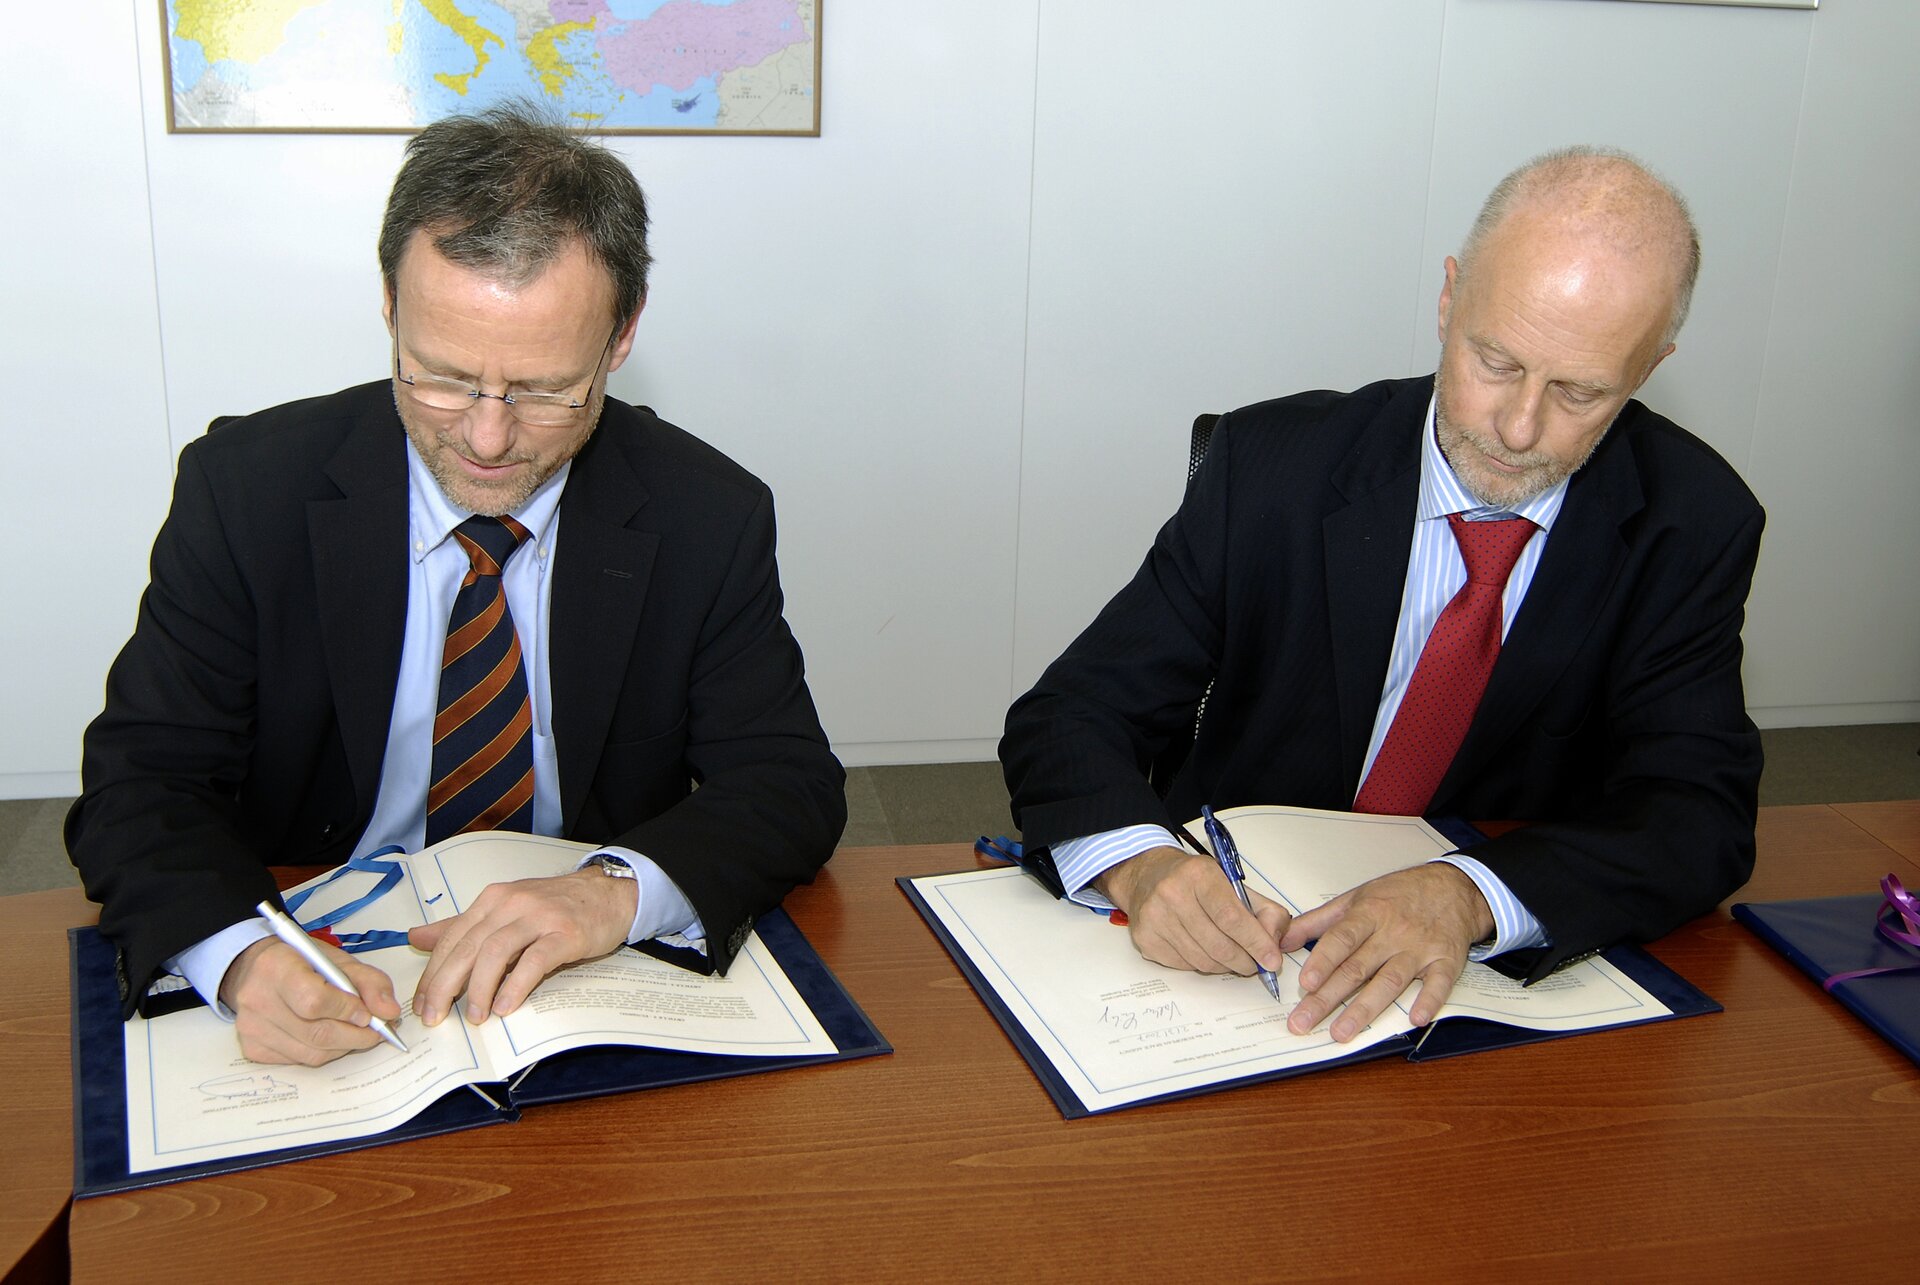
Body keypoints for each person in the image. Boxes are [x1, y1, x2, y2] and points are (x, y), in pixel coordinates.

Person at [67, 102, 845, 1066]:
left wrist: (612, 889)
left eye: (546, 390)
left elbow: (789, 784)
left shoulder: (705, 513)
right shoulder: (247, 490)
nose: (485, 437)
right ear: (390, 309)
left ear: (620, 339)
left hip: (574, 979)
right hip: (327, 946)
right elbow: (142, 783)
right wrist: (238, 960)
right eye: (439, 378)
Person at [1000, 146, 1764, 1045]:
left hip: (1470, 1003)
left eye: (1581, 392)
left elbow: (1696, 811)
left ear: (1649, 366)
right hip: (1246, 956)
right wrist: (1139, 865)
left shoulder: (1693, 521)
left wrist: (1471, 891)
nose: (1519, 428)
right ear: (1448, 299)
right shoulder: (1273, 469)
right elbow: (1069, 715)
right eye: (1496, 360)